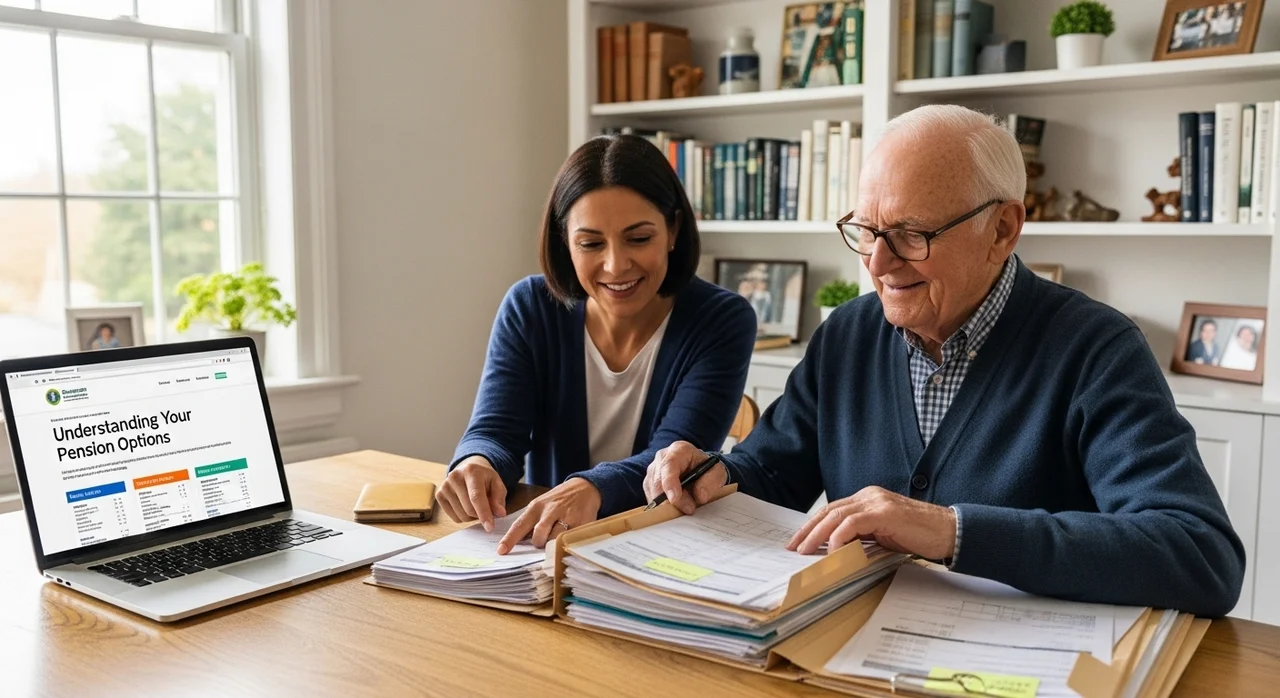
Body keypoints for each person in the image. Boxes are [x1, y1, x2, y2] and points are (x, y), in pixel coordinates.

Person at [644, 104, 1245, 617]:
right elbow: (774, 473)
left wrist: (951, 530)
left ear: (1002, 229)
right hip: (852, 653)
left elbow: (1199, 555)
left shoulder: (1097, 349)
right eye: (866, 230)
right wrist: (717, 475)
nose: (877, 263)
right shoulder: (847, 334)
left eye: (911, 234)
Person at [437, 134, 758, 554]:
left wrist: (591, 487)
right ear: (565, 242)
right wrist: (476, 461)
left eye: (638, 239)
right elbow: (495, 432)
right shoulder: (530, 307)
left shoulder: (722, 319)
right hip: (545, 547)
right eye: (590, 244)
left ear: (673, 229)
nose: (615, 265)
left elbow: (672, 463)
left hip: (657, 546)